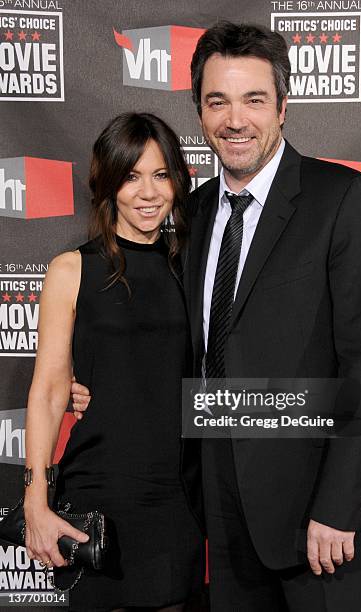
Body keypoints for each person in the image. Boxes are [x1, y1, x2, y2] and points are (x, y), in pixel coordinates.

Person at [73, 22, 361, 612]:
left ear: (283, 107)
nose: (235, 119)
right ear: (199, 110)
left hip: (316, 520)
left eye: (254, 99)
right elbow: (175, 341)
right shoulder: (191, 214)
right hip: (217, 510)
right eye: (217, 100)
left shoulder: (344, 200)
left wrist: (337, 505)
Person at [24, 112, 205, 612]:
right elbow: (47, 391)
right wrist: (35, 498)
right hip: (98, 494)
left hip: (179, 495)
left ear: (178, 183)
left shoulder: (192, 265)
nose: (147, 192)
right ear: (107, 183)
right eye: (131, 176)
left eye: (161, 175)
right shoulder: (71, 269)